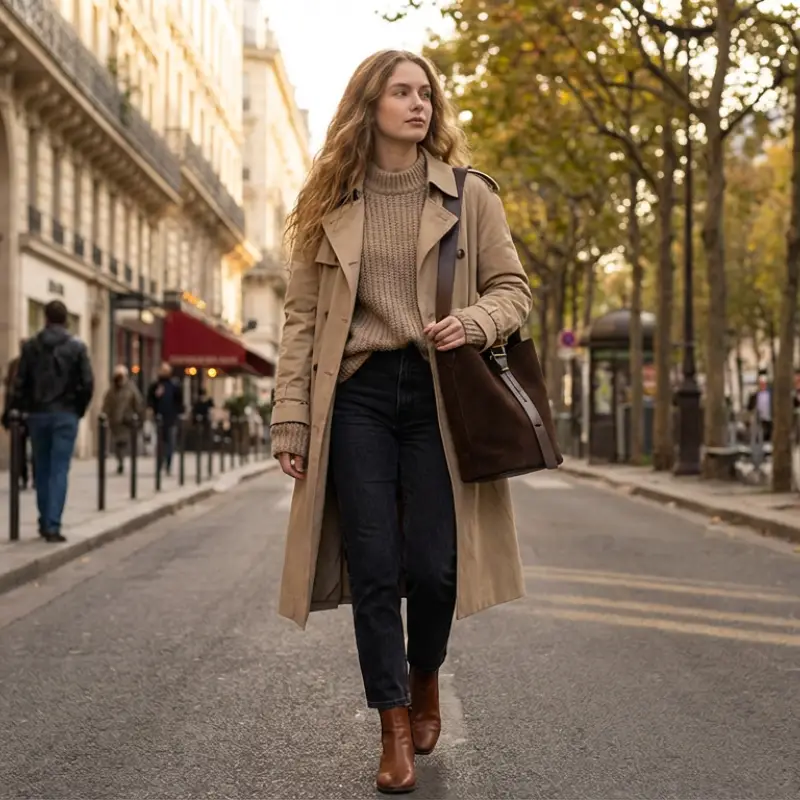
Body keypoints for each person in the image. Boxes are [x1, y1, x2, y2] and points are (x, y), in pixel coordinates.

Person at [270, 50, 532, 794]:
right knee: (375, 566)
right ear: (369, 105)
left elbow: (514, 291)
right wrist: (290, 419)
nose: (418, 105)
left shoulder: (469, 196)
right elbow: (300, 319)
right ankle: (392, 725)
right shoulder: (328, 204)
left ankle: (425, 676)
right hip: (354, 395)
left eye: (426, 94)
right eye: (401, 93)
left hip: (437, 393)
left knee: (433, 566)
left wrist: (475, 322)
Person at [10, 301, 93, 542]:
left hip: (38, 414)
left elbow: (20, 382)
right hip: (65, 414)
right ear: (66, 320)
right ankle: (52, 523)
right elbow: (87, 383)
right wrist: (77, 409)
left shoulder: (32, 347)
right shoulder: (77, 347)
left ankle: (44, 519)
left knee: (42, 468)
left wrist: (22, 410)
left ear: (45, 318)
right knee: (58, 469)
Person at [102, 364, 145, 474]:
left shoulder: (131, 388)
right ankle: (120, 461)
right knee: (118, 444)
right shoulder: (112, 390)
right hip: (115, 422)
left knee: (123, 442)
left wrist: (139, 416)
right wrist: (105, 415)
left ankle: (122, 461)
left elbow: (138, 402)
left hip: (127, 420)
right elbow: (107, 404)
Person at [2, 340, 33, 489]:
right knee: (19, 447)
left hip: (31, 411)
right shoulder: (15, 365)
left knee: (35, 447)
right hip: (19, 412)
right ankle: (24, 476)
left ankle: (33, 477)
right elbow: (9, 389)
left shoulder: (36, 365)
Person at [147, 362, 184, 475]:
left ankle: (168, 464)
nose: (163, 372)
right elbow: (150, 399)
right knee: (160, 443)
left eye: (165, 370)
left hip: (171, 418)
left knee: (170, 443)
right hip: (158, 418)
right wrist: (151, 410)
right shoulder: (155, 385)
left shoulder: (174, 385)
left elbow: (179, 401)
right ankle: (159, 465)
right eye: (162, 370)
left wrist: (178, 413)